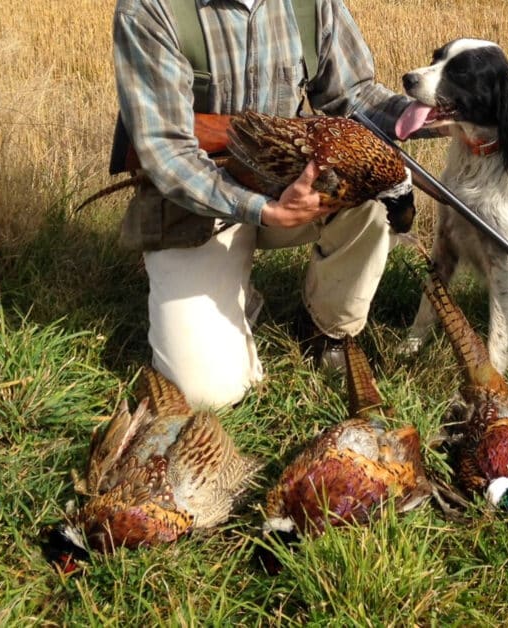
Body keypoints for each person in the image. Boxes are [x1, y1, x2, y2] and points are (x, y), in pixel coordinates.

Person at [111, 0, 419, 408]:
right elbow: (166, 151)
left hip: (295, 189)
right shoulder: (150, 9)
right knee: (205, 394)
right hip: (198, 202)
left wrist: (429, 116)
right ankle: (233, 294)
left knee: (384, 193)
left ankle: (327, 329)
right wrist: (263, 209)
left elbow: (353, 96)